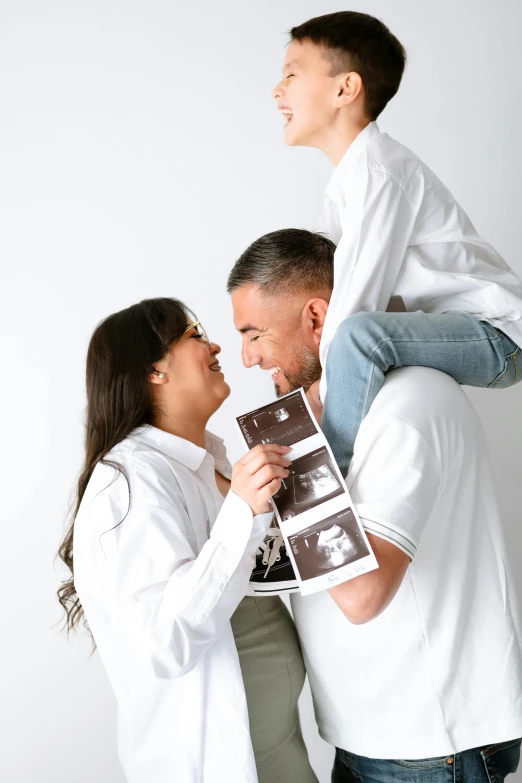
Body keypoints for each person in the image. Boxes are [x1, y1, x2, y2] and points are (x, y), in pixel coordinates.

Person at [228, 228, 522, 782]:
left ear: (316, 318)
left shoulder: (407, 403)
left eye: (254, 334)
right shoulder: (336, 415)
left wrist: (305, 471)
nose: (246, 358)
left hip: (430, 752)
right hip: (371, 741)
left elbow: (362, 595)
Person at [56, 297, 318, 783]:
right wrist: (243, 511)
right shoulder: (128, 480)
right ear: (154, 369)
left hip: (284, 758)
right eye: (196, 335)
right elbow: (165, 640)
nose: (217, 345)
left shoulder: (211, 463)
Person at [272, 11, 522, 476]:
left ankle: (329, 485)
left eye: (291, 73)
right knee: (340, 338)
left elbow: (356, 302)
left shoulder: (379, 172)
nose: (276, 90)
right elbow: (334, 291)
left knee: (359, 335)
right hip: (455, 327)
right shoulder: (349, 181)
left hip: (498, 334)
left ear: (346, 89)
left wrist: (325, 390)